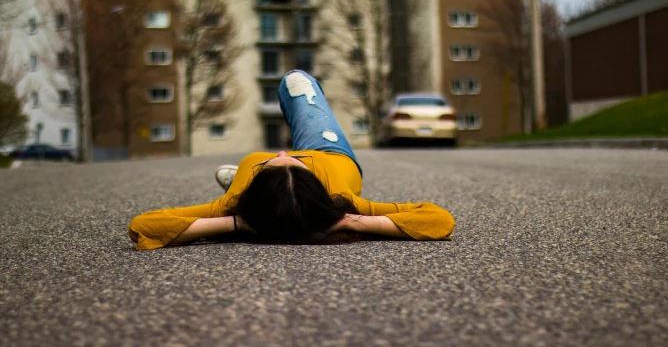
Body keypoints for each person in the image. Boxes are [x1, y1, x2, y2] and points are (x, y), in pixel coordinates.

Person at [128, 70, 455, 249]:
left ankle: (262, 193)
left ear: (251, 193)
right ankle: (285, 202)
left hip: (262, 205)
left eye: (268, 165)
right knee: (298, 81)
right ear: (317, 190)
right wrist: (346, 220)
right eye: (293, 163)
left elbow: (142, 226)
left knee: (292, 82)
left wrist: (237, 222)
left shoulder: (234, 203)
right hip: (327, 149)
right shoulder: (341, 201)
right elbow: (439, 221)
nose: (283, 152)